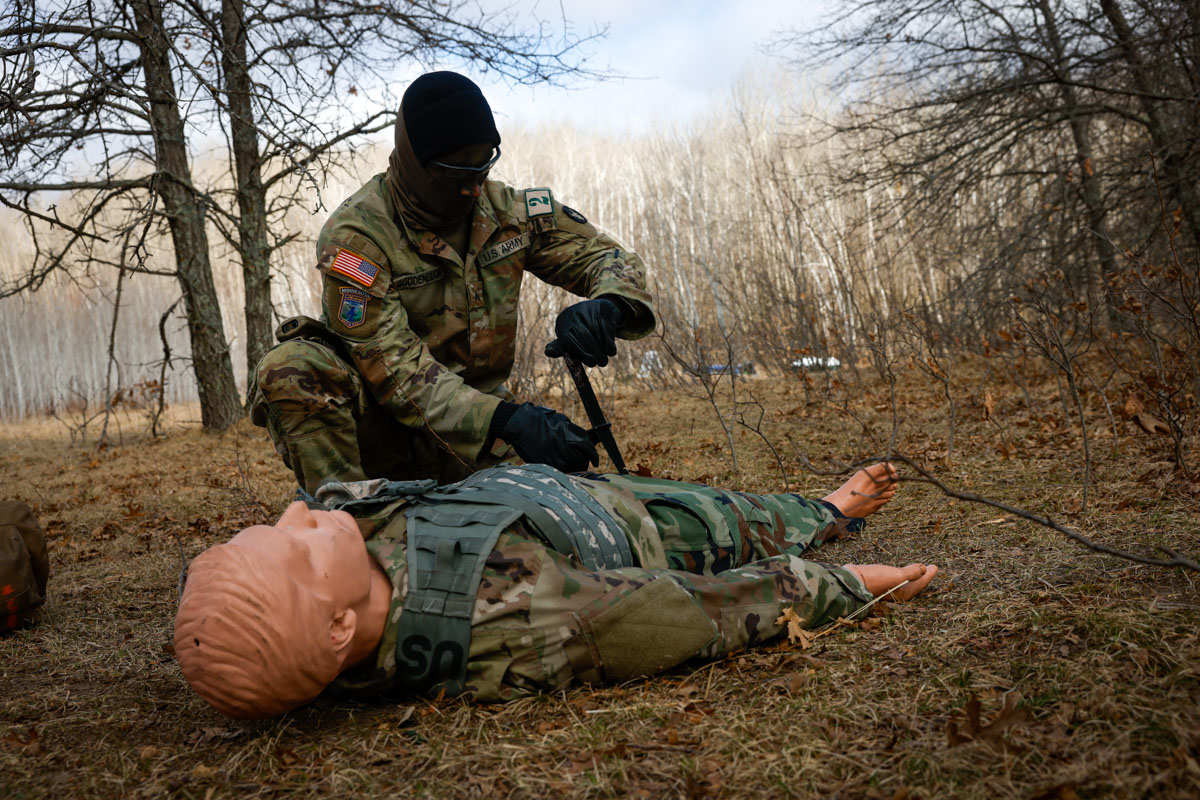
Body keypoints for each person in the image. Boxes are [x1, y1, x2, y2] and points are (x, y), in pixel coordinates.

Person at [174, 463, 937, 719]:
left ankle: (813, 512)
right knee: (735, 520)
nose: (299, 514)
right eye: (298, 546)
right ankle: (825, 513)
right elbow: (698, 611)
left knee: (728, 508)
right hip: (637, 531)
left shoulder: (341, 543)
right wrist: (844, 587)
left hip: (553, 494)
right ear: (340, 628)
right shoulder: (519, 622)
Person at [248, 71, 655, 493]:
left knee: (578, 500)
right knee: (291, 367)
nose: (474, 190)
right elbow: (396, 372)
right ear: (416, 165)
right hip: (382, 441)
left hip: (478, 434)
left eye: (483, 168)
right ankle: (349, 516)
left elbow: (604, 256)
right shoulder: (360, 236)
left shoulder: (507, 212)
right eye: (456, 174)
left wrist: (610, 304)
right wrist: (507, 420)